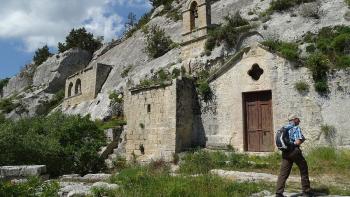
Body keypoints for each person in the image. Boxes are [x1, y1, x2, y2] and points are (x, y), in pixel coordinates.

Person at [276, 115, 312, 197]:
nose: (299, 121)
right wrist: (301, 140)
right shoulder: (296, 128)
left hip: (285, 152)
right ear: (294, 119)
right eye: (298, 119)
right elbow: (298, 142)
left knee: (283, 173)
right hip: (294, 151)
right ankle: (306, 192)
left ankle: (278, 193)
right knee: (303, 168)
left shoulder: (284, 127)